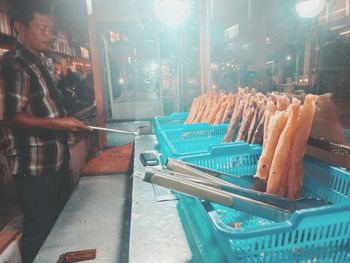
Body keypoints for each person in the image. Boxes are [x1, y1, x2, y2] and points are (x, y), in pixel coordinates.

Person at [0, 1, 91, 262]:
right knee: (40, 234)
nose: (49, 35)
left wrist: (68, 121)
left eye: (51, 30)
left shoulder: (40, 60)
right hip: (34, 170)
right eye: (42, 29)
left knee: (60, 230)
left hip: (55, 162)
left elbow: (47, 107)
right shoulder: (14, 65)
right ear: (20, 27)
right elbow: (9, 116)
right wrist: (59, 124)